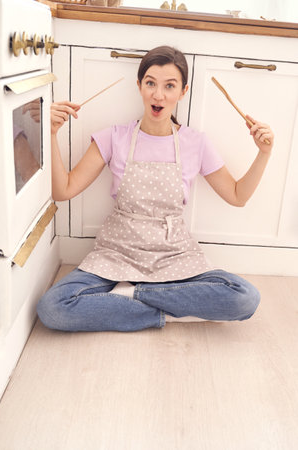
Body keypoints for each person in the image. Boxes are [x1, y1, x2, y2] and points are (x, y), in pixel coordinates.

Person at [37, 46, 274, 332]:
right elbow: (63, 190)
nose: (158, 95)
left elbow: (238, 196)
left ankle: (129, 298)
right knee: (53, 308)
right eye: (150, 83)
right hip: (116, 253)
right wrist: (49, 133)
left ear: (182, 92)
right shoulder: (114, 137)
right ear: (139, 86)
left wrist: (263, 153)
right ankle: (170, 310)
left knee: (245, 298)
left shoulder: (195, 143)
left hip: (174, 255)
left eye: (169, 86)